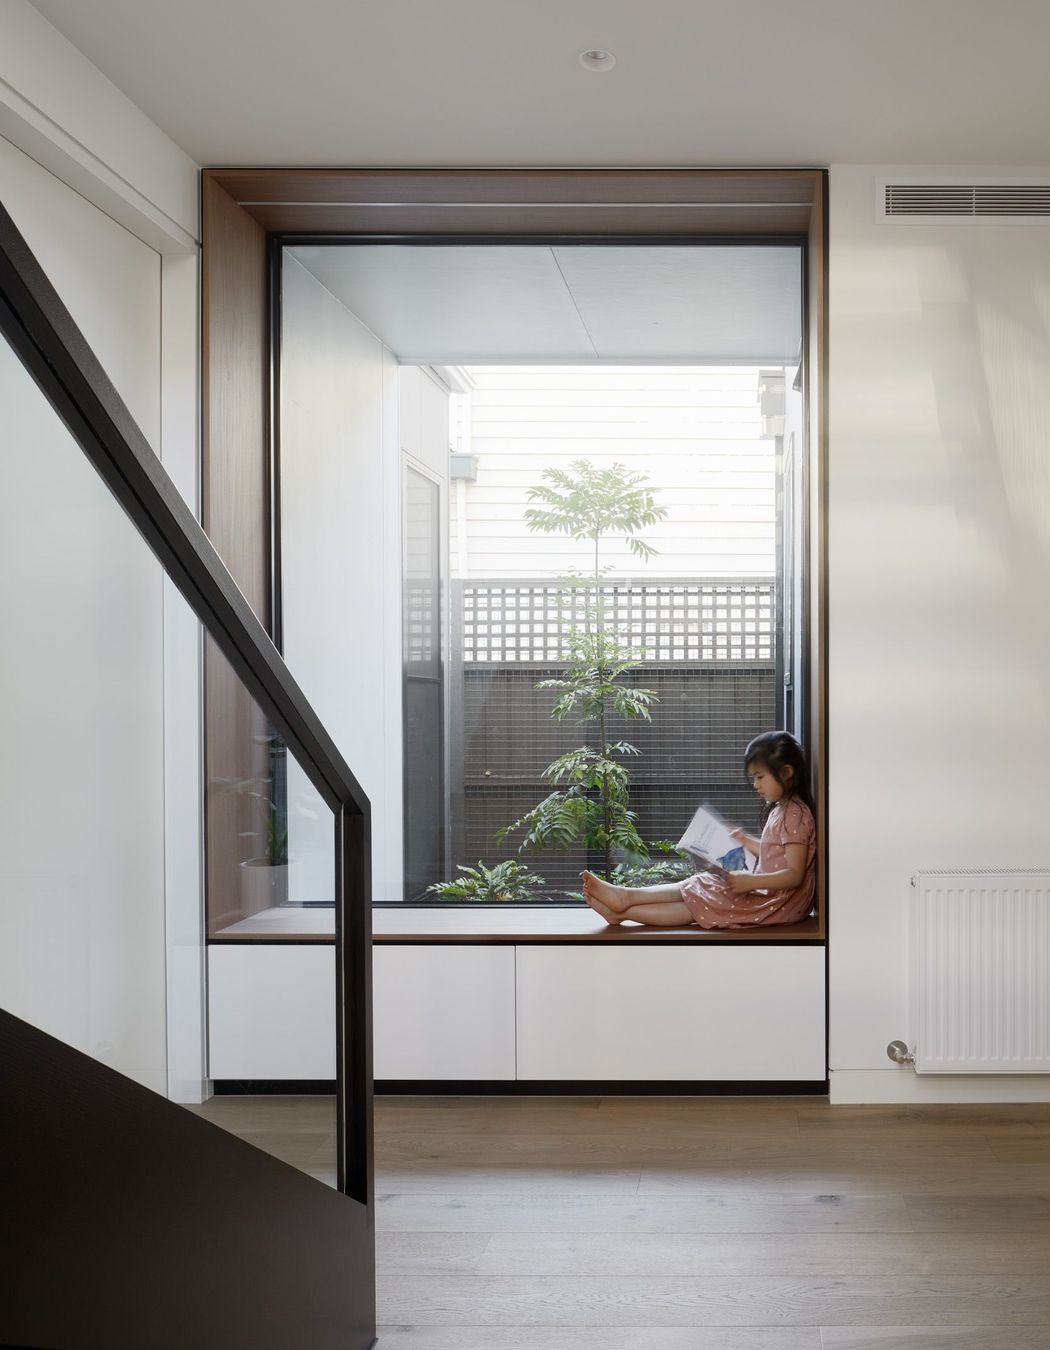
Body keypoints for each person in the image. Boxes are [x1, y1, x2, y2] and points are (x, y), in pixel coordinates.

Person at [582, 730, 816, 929]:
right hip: (770, 892)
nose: (755, 785)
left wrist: (751, 882)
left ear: (786, 773)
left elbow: (794, 875)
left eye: (760, 777)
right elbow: (775, 852)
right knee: (702, 884)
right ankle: (625, 897)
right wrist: (746, 841)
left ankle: (623, 911)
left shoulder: (795, 814)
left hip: (779, 902)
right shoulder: (783, 809)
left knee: (702, 902)